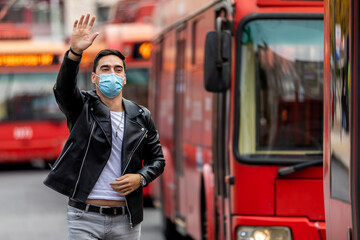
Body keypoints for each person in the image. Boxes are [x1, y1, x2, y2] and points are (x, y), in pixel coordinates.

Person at [44, 13, 165, 240]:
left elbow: (157, 160)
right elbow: (63, 89)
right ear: (94, 77)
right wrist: (74, 53)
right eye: (106, 69)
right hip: (84, 218)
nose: (113, 74)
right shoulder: (82, 108)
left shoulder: (141, 116)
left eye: (118, 70)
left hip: (126, 220)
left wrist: (140, 178)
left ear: (125, 78)